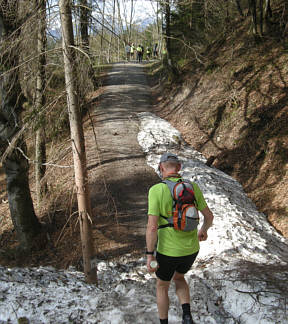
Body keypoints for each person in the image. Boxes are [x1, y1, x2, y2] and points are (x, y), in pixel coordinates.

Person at [146, 153, 214, 324]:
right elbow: (209, 216)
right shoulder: (192, 187)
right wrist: (203, 231)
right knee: (179, 278)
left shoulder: (156, 190)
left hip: (168, 251)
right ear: (179, 168)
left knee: (162, 285)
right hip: (191, 249)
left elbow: (152, 227)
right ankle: (187, 316)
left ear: (161, 168)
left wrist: (149, 254)